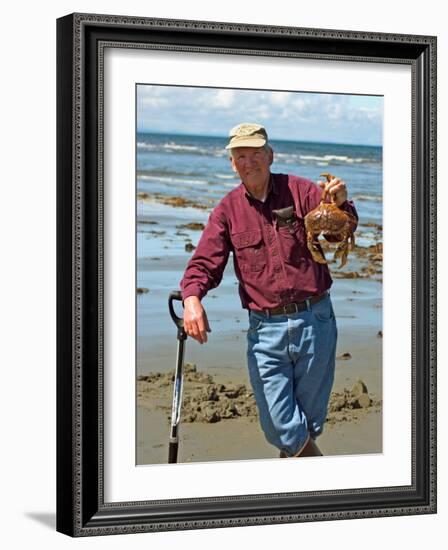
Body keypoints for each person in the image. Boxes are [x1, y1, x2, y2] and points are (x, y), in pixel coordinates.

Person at [179, 123, 358, 458]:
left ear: (270, 155)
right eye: (241, 156)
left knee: (308, 423)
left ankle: (292, 500)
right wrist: (192, 299)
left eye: (256, 154)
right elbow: (204, 263)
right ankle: (325, 485)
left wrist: (341, 204)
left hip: (315, 321)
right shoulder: (227, 211)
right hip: (265, 331)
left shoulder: (302, 191)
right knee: (281, 426)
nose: (250, 162)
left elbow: (336, 236)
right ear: (233, 163)